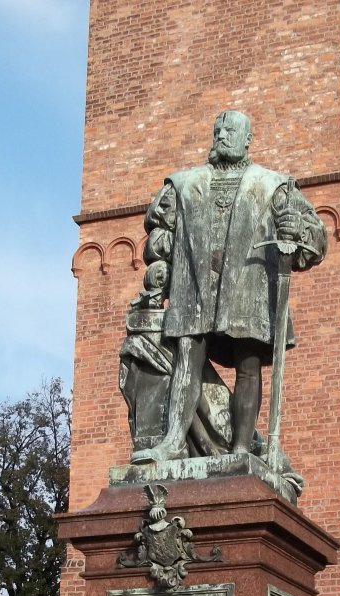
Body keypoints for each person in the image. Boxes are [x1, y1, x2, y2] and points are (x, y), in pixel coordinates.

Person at [131, 110, 327, 463]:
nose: (221, 135)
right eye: (217, 130)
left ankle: (239, 451)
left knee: (247, 365)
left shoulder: (274, 185)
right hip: (195, 285)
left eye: (230, 130)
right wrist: (157, 283)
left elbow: (315, 241)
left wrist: (295, 228)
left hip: (248, 286)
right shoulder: (183, 184)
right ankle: (173, 440)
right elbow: (160, 239)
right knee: (187, 357)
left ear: (247, 139)